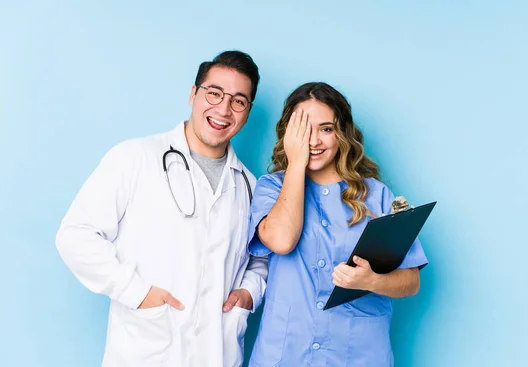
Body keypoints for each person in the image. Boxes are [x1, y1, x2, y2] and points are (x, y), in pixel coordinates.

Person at [56, 50, 267, 367]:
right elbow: (75, 235)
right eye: (214, 93)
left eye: (238, 100)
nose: (223, 109)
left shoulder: (250, 187)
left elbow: (260, 260)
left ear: (247, 112)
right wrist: (136, 292)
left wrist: (249, 293)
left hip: (218, 355)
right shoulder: (135, 158)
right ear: (193, 94)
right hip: (146, 350)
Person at [247, 82, 428, 366]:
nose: (314, 141)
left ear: (341, 133)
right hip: (286, 354)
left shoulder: (377, 195)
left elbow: (411, 281)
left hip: (357, 354)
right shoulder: (271, 188)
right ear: (289, 134)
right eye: (304, 130)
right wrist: (296, 164)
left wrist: (372, 281)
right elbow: (282, 241)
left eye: (326, 129)